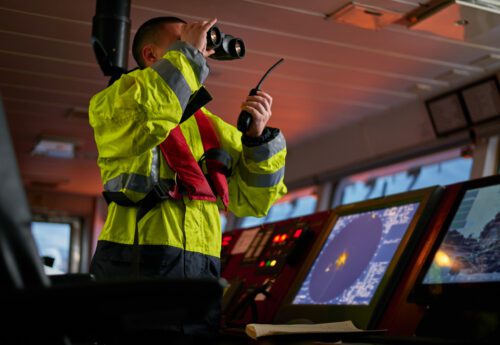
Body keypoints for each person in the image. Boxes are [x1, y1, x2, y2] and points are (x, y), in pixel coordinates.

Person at [88, 16, 287, 337]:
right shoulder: (116, 101)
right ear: (152, 56)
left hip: (201, 272)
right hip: (136, 266)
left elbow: (254, 201)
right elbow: (150, 114)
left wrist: (257, 140)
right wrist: (189, 55)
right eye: (185, 40)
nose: (199, 45)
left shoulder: (212, 127)